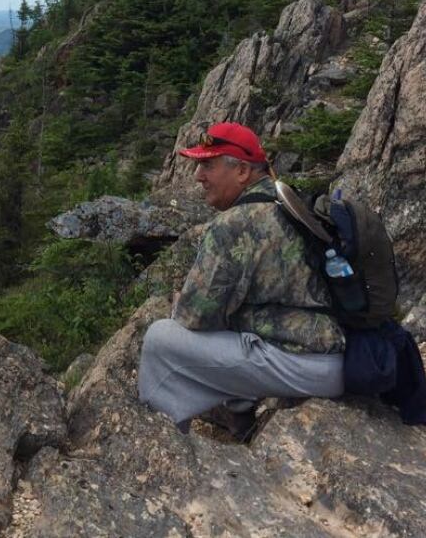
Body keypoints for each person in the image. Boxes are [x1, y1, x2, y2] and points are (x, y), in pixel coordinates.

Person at [138, 121, 345, 437]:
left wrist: (181, 302)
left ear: (242, 172)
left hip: (307, 366)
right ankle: (240, 416)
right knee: (235, 323)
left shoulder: (233, 225)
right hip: (336, 356)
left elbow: (193, 317)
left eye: (208, 164)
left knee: (160, 339)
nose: (198, 176)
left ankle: (160, 441)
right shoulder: (289, 202)